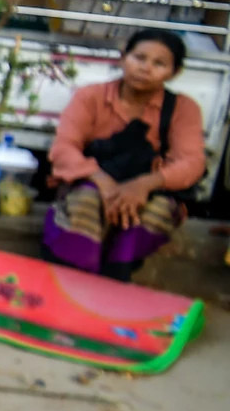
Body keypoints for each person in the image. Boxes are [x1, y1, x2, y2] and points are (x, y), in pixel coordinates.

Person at [42, 29, 203, 281]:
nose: (146, 68)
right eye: (139, 58)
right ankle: (72, 281)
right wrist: (103, 183)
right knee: (86, 201)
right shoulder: (91, 96)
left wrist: (143, 185)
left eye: (159, 63)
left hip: (150, 189)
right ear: (123, 57)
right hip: (92, 182)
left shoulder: (183, 108)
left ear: (175, 72)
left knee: (154, 212)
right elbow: (64, 147)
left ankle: (116, 278)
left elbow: (191, 162)